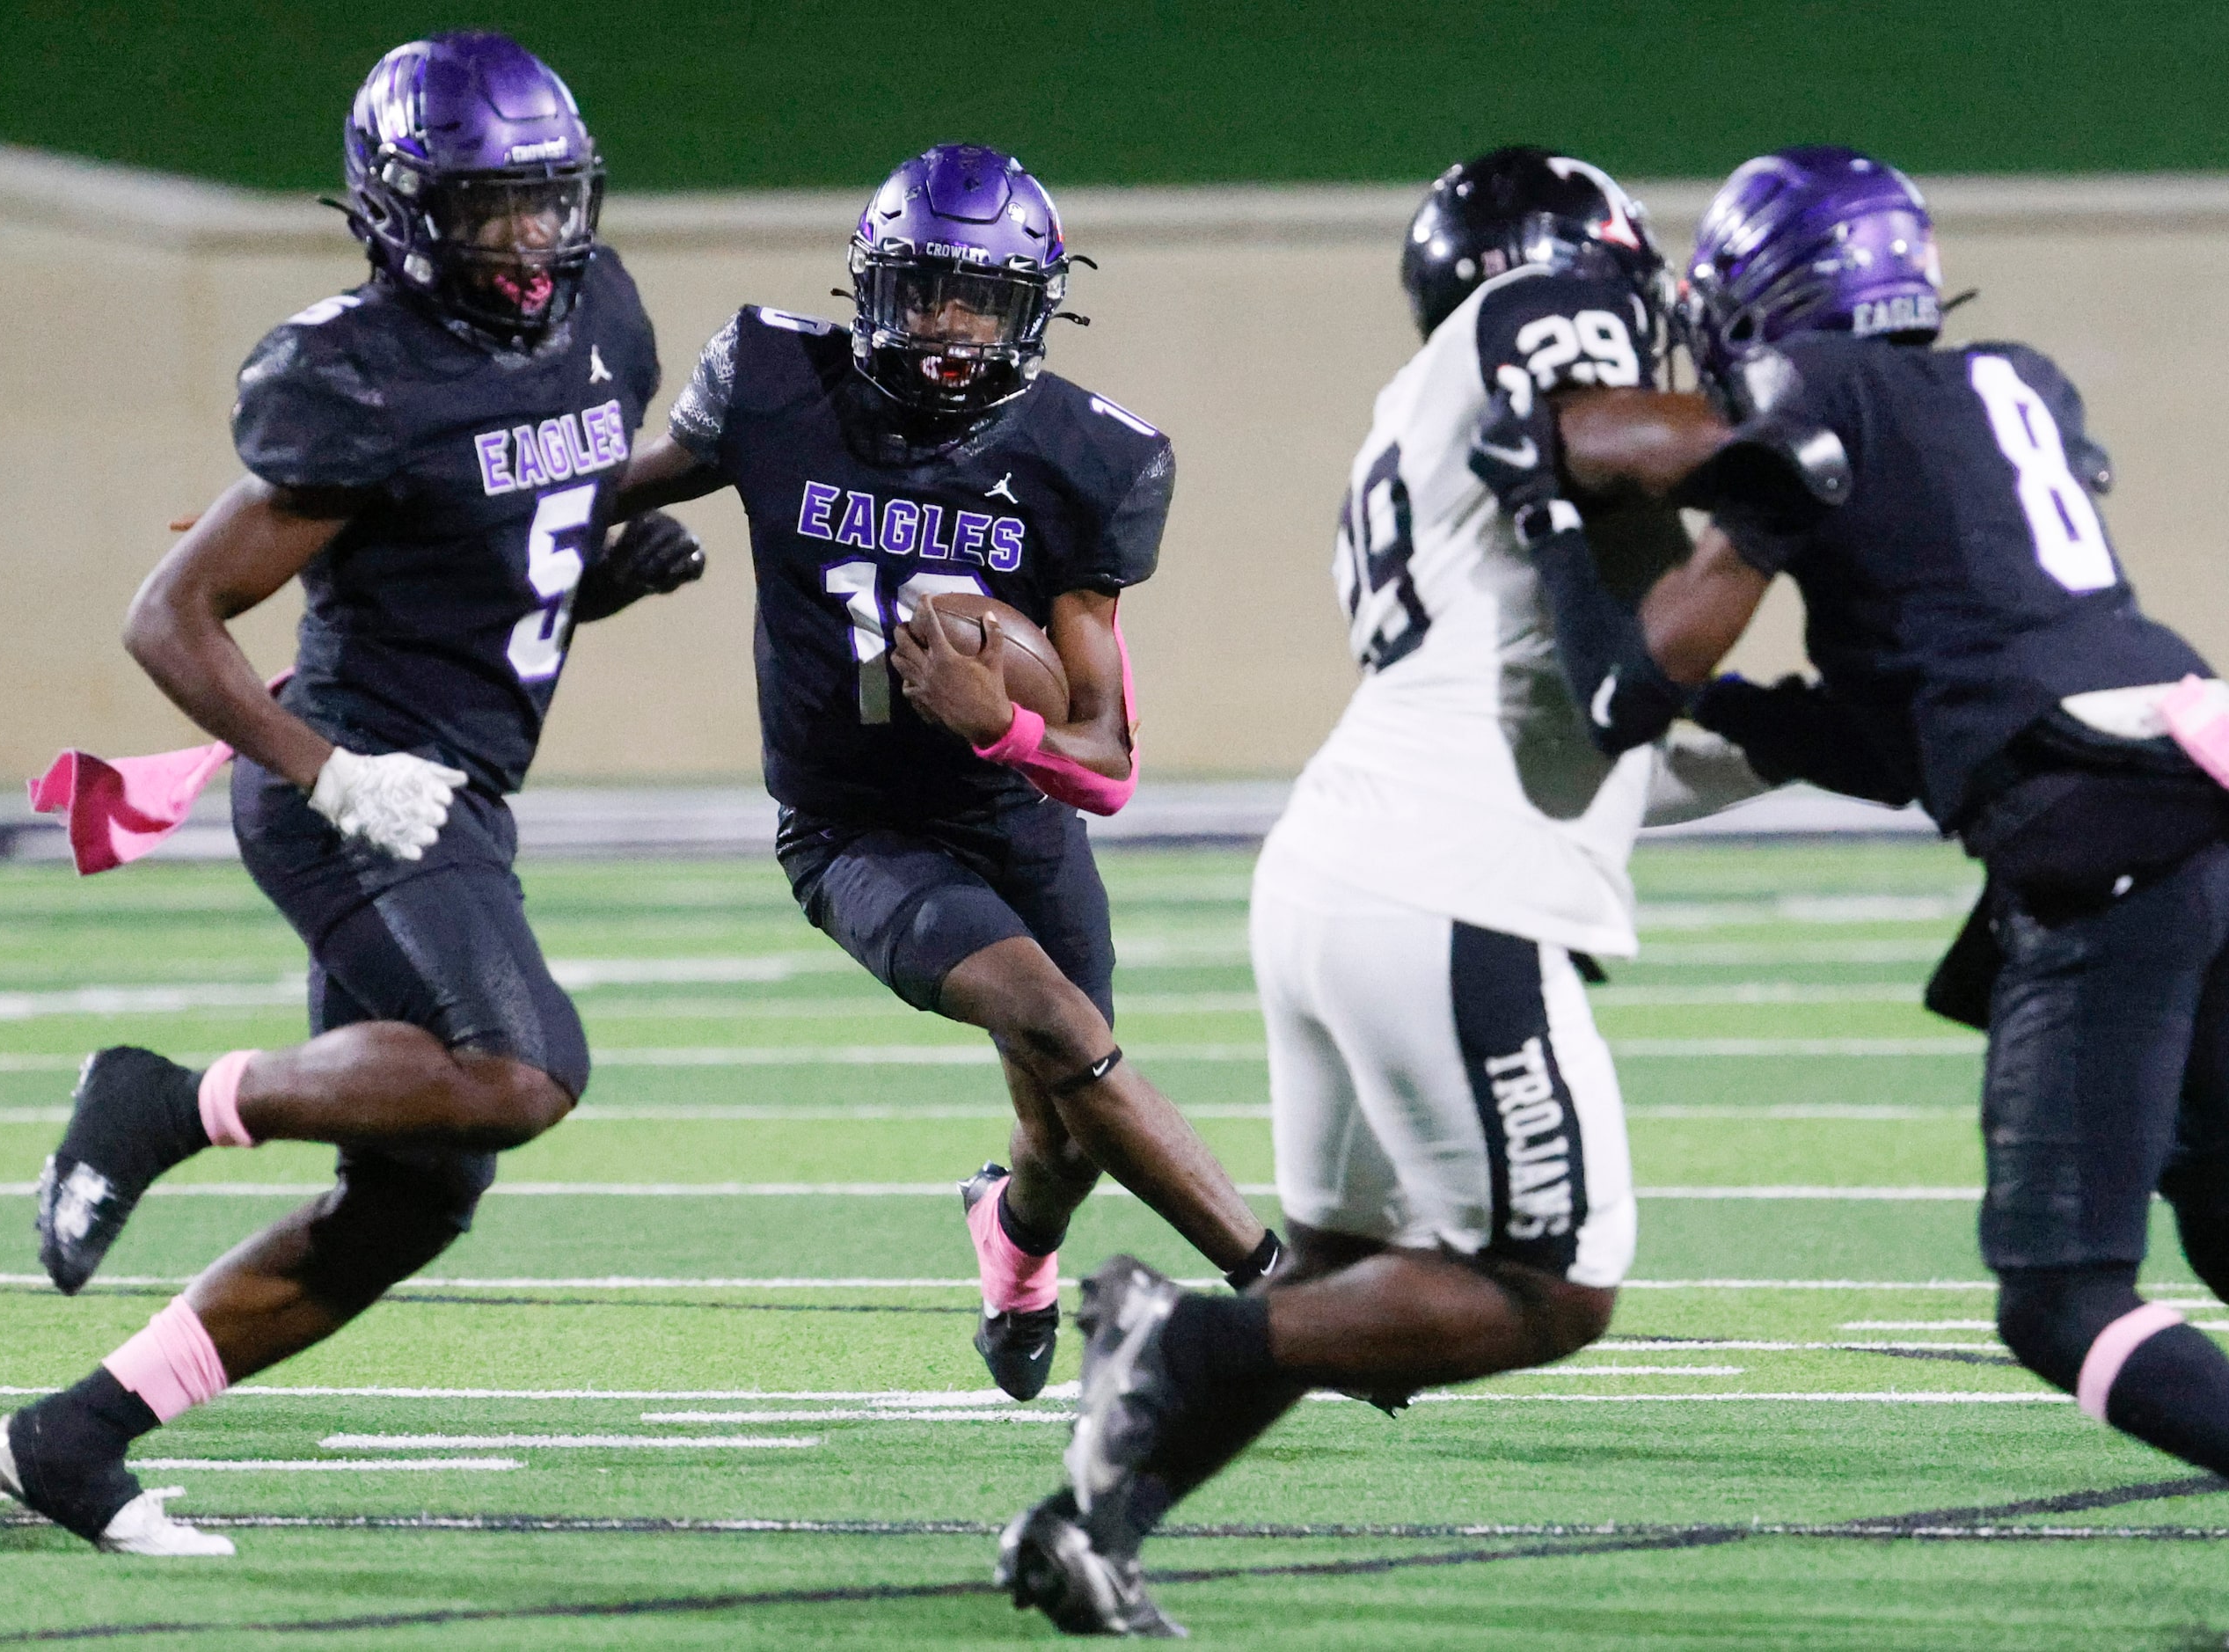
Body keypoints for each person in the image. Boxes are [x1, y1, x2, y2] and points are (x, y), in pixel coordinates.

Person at [992, 146, 1769, 1638]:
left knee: (1352, 1290)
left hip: (1347, 872)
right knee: (1552, 1283)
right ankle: (1166, 1340)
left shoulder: (1407, 437)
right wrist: (1814, 430)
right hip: (1446, 883)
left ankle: (1090, 1519)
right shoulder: (1537, 319)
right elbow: (1608, 433)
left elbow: (1597, 722)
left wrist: (1855, 736)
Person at [0, 32, 705, 1556]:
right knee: (523, 1066)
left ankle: (71, 1435)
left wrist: (591, 584)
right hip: (348, 786)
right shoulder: (356, 375)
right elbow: (169, 612)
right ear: (394, 212)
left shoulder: (603, 316)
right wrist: (326, 769)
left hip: (457, 789)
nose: (526, 241)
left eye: (544, 202)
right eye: (485, 209)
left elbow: (504, 513)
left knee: (417, 1197)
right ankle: (162, 1099)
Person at [1465, 145, 2227, 1494]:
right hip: (2193, 770)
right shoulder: (2014, 384)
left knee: (2061, 1297)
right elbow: (1904, 735)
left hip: (2107, 833)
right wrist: (1758, 712)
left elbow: (1623, 693)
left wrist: (1542, 515)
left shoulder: (1821, 397)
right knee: (2220, 1204)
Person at [616, 144, 1282, 1405]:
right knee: (1065, 1027)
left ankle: (1014, 1248)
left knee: (1065, 1137)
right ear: (873, 288)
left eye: (980, 299)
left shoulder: (1091, 457)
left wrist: (998, 728)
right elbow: (593, 498)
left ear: (1034, 308)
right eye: (925, 291)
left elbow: (1108, 765)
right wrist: (401, 528)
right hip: (853, 829)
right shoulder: (773, 383)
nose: (948, 327)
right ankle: (1277, 1289)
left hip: (1014, 813)